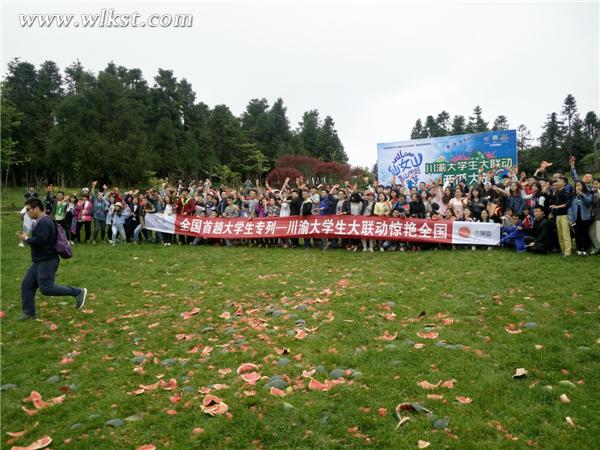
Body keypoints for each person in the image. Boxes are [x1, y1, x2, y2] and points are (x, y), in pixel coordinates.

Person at [16, 198, 87, 320]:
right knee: (27, 285)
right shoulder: (41, 220)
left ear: (36, 208)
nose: (26, 212)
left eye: (28, 210)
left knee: (47, 288)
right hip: (39, 261)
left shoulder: (44, 222)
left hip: (47, 260)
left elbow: (41, 241)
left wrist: (26, 239)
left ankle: (78, 292)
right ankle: (29, 313)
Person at [549, 176, 572, 257]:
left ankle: (568, 252)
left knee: (566, 234)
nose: (557, 182)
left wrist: (557, 207)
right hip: (558, 215)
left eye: (559, 181)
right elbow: (554, 203)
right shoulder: (556, 192)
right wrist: (552, 211)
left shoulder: (566, 191)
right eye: (557, 181)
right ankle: (563, 250)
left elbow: (568, 203)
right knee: (560, 234)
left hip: (564, 215)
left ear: (564, 183)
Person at [568, 181, 593, 255]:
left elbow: (588, 202)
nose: (578, 187)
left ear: (583, 186)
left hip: (585, 217)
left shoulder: (588, 194)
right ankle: (578, 248)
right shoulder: (572, 196)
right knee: (577, 234)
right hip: (576, 218)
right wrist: (571, 218)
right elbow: (570, 208)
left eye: (580, 185)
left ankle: (585, 249)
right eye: (576, 185)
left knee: (585, 233)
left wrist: (582, 195)